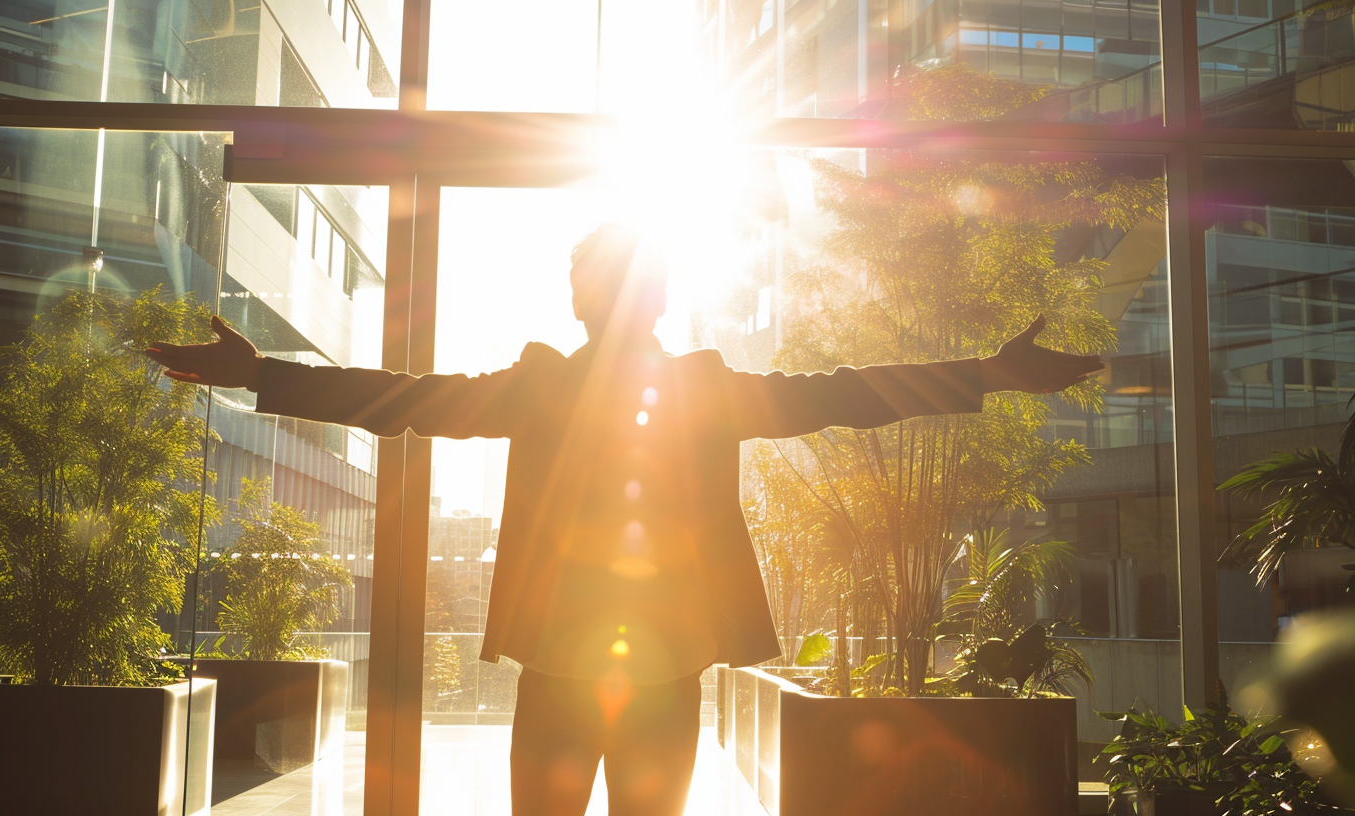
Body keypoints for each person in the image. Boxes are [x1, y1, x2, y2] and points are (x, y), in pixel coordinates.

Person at [146, 223, 1101, 815]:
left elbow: (399, 400)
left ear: (584, 299)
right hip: (651, 669)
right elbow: (846, 393)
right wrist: (985, 373)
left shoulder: (549, 390)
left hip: (573, 668)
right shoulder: (693, 392)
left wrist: (262, 373)